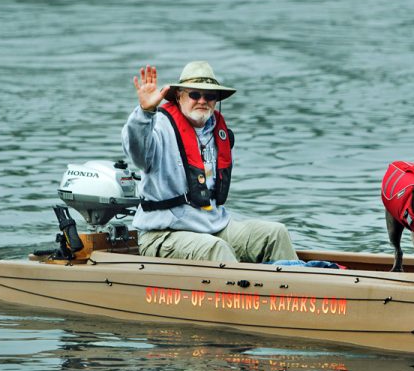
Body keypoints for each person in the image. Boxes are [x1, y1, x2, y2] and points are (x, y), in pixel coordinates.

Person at [122, 61, 298, 263]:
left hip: (214, 226)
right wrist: (145, 113)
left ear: (216, 101)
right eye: (195, 94)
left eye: (209, 96)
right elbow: (137, 152)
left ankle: (300, 289)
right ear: (179, 97)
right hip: (162, 234)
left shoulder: (217, 132)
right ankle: (242, 295)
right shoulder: (159, 127)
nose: (202, 100)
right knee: (216, 249)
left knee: (275, 233)